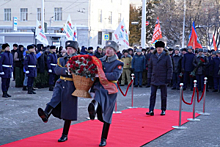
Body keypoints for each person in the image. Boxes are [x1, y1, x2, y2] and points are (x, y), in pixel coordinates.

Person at [38, 40, 79, 142]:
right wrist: (67, 70)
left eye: (71, 49)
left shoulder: (79, 59)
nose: (68, 51)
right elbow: (57, 70)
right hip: (60, 83)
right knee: (54, 99)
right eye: (67, 48)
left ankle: (64, 134)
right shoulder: (61, 59)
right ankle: (46, 114)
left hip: (71, 86)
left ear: (75, 49)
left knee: (68, 112)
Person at [88, 40, 123, 146]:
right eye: (107, 48)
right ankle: (92, 107)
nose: (108, 50)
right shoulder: (100, 61)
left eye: (111, 49)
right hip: (99, 87)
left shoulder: (118, 63)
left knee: (106, 116)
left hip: (110, 89)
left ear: (115, 51)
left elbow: (115, 76)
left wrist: (101, 75)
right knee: (97, 97)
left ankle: (103, 138)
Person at [146, 41, 173, 116]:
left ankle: (163, 109)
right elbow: (150, 67)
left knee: (163, 95)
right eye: (158, 47)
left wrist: (169, 78)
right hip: (154, 77)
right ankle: (151, 110)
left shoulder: (167, 56)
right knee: (152, 95)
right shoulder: (153, 56)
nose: (159, 49)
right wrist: (149, 77)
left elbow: (170, 68)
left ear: (163, 48)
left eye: (160, 47)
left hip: (163, 78)